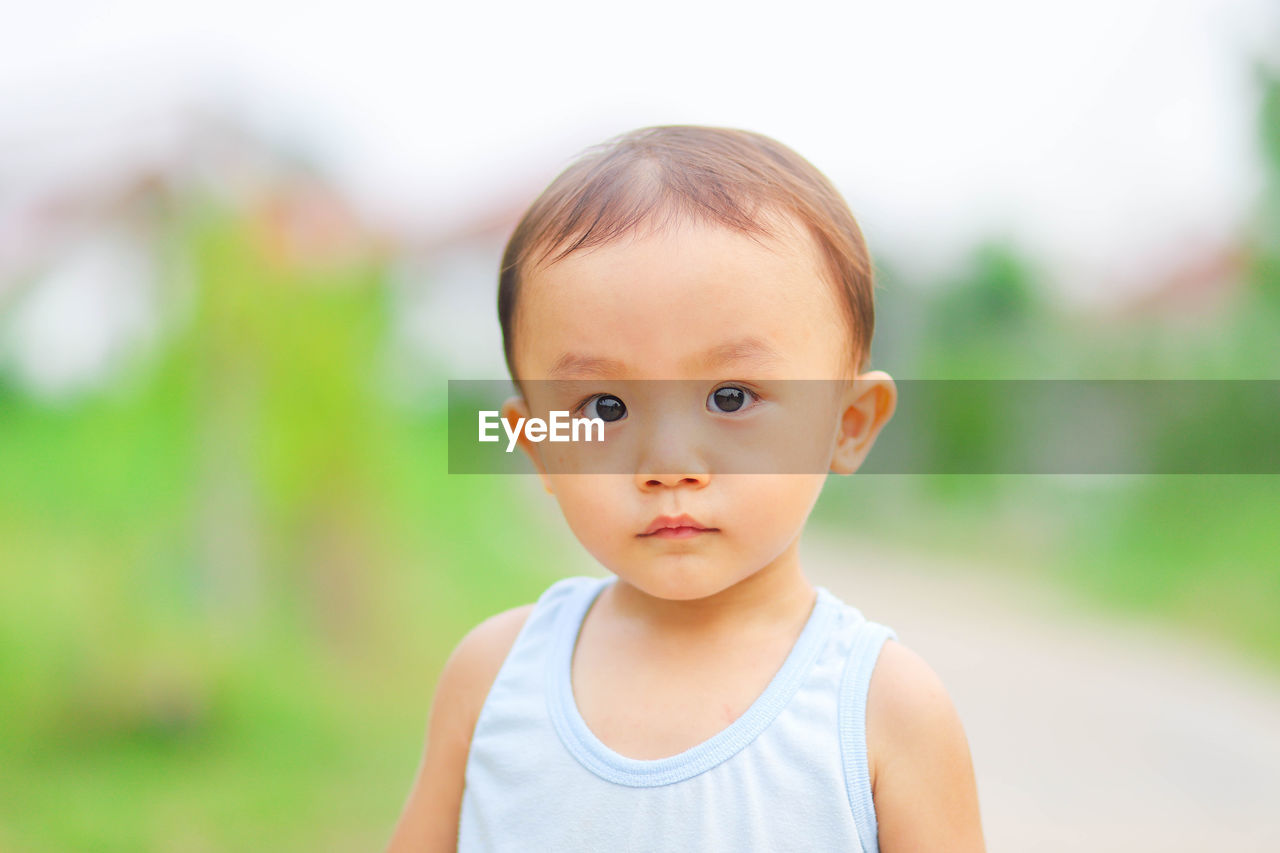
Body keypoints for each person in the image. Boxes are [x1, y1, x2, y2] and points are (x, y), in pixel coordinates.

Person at [387, 125, 985, 852]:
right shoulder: (493, 680)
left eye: (731, 396)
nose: (668, 462)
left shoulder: (881, 712)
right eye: (604, 407)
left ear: (848, 424)